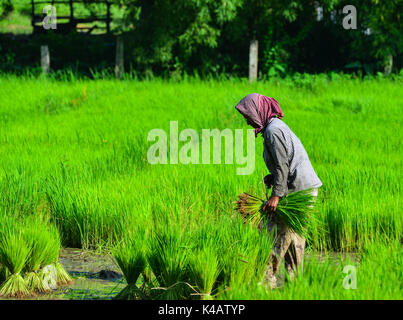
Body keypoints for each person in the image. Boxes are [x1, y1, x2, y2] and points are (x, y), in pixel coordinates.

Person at [235, 93, 322, 288]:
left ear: (258, 111)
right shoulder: (273, 127)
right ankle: (294, 285)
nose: (248, 121)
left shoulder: (273, 131)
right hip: (303, 188)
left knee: (275, 236)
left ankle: (265, 282)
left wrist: (276, 195)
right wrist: (273, 178)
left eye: (248, 116)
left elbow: (283, 165)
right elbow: (286, 164)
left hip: (298, 190)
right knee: (294, 240)